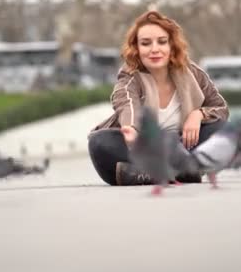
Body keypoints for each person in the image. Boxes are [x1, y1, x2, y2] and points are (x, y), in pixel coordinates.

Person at [87, 10, 229, 186]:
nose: (155, 49)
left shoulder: (193, 73)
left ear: (172, 46)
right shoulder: (129, 76)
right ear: (137, 49)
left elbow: (221, 109)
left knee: (221, 129)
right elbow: (125, 101)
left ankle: (145, 175)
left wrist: (199, 114)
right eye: (146, 43)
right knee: (99, 142)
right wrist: (132, 128)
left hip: (181, 148)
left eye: (162, 42)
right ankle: (181, 173)